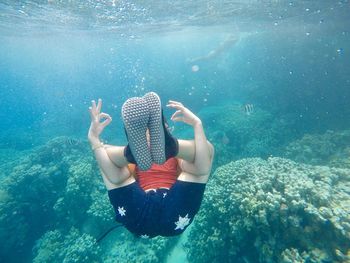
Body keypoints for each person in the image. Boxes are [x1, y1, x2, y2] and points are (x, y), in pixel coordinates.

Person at [88, 92, 214, 238]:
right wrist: (197, 124)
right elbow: (202, 168)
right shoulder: (179, 160)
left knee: (106, 157)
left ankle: (129, 152)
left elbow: (115, 177)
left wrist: (94, 139)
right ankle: (172, 146)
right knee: (206, 152)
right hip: (176, 216)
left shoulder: (175, 160)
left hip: (139, 220)